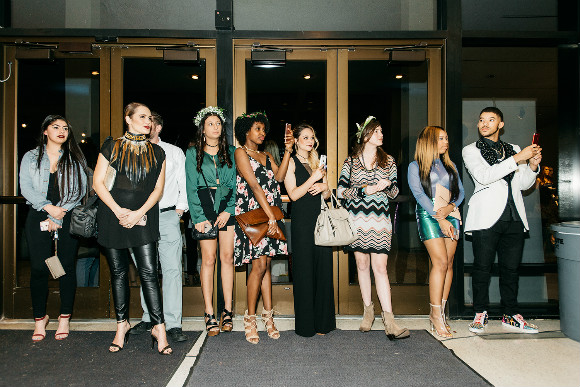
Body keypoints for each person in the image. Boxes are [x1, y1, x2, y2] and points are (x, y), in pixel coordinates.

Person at [93, 102, 172, 354]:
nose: (147, 121)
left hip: (144, 218)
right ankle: (122, 325)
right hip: (112, 216)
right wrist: (118, 211)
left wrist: (138, 213)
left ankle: (159, 327)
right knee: (118, 273)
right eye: (142, 116)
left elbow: (158, 190)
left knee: (149, 273)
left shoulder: (158, 152)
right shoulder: (111, 146)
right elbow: (97, 183)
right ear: (128, 119)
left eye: (150, 117)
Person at [463, 106, 542, 334]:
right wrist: (518, 158)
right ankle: (480, 314)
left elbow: (524, 183)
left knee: (511, 270)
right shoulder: (471, 150)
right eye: (481, 120)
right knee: (482, 268)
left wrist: (533, 165)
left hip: (514, 216)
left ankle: (511, 315)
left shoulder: (513, 149)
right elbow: (484, 176)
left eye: (490, 120)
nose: (484, 123)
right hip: (486, 218)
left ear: (501, 124)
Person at [337, 116, 409, 340]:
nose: (381, 134)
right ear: (366, 135)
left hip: (379, 221)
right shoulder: (351, 162)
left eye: (381, 131)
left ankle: (390, 320)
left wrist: (388, 187)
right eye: (376, 131)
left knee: (380, 267)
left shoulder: (388, 161)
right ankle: (368, 311)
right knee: (361, 264)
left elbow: (396, 193)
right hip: (356, 219)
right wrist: (363, 190)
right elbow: (339, 191)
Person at [19, 115, 88, 342]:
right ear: (45, 131)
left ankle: (64, 317)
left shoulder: (74, 158)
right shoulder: (31, 157)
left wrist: (59, 214)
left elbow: (79, 190)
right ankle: (40, 319)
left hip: (66, 216)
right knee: (39, 268)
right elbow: (26, 187)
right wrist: (48, 208)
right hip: (39, 214)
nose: (61, 131)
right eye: (55, 127)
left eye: (65, 128)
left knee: (66, 266)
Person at [130, 112, 189, 343]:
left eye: (151, 122)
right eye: (143, 121)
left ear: (159, 127)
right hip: (141, 217)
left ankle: (173, 323)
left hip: (167, 215)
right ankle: (150, 317)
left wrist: (180, 208)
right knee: (147, 269)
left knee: (173, 270)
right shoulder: (133, 151)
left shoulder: (174, 152)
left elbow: (183, 180)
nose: (147, 125)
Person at [234, 112, 292, 344]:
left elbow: (278, 177)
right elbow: (255, 186)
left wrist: (288, 150)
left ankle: (269, 318)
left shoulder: (266, 154)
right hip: (254, 214)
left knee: (266, 263)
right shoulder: (240, 153)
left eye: (263, 129)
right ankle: (250, 319)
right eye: (257, 129)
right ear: (246, 131)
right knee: (258, 265)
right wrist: (270, 217)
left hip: (270, 214)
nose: (262, 133)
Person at [408, 126, 464, 338]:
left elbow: (461, 192)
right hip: (428, 213)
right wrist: (439, 217)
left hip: (451, 212)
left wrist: (450, 208)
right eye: (441, 138)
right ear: (429, 141)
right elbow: (418, 194)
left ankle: (440, 313)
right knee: (439, 262)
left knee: (448, 263)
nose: (446, 142)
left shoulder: (450, 165)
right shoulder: (416, 166)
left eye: (446, 138)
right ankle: (435, 314)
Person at [185, 106, 236, 336]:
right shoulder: (192, 153)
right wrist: (197, 217)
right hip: (204, 206)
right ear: (202, 129)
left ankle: (227, 310)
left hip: (226, 206)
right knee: (209, 259)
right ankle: (208, 312)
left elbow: (237, 184)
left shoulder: (232, 152)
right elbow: (191, 187)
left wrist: (230, 209)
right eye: (210, 124)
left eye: (218, 123)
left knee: (227, 258)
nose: (216, 127)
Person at [283, 123, 335, 337]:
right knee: (304, 271)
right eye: (304, 137)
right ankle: (305, 326)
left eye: (312, 137)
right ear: (295, 140)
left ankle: (323, 324)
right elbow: (293, 195)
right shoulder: (291, 163)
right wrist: (313, 179)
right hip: (302, 222)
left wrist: (325, 187)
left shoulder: (317, 162)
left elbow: (326, 195)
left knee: (322, 269)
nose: (310, 141)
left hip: (320, 220)